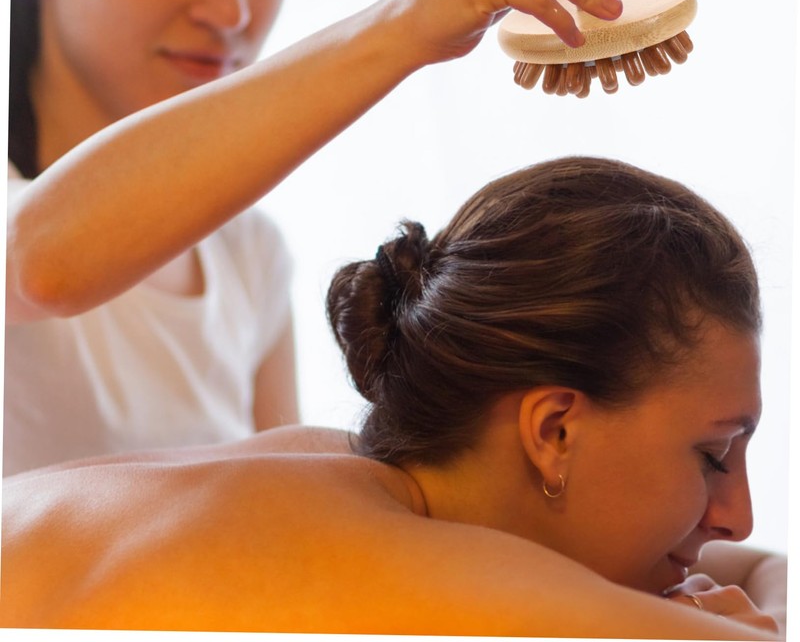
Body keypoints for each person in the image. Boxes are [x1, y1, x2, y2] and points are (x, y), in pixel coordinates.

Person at [4, 0, 642, 474]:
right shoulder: (37, 231)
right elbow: (41, 262)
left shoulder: (248, 254)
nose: (232, 10)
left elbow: (275, 511)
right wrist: (405, 21)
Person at [0, 156, 787, 639]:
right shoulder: (384, 558)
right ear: (553, 431)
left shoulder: (352, 476)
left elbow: (759, 567)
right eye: (713, 456)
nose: (736, 514)